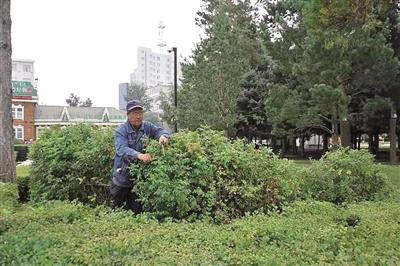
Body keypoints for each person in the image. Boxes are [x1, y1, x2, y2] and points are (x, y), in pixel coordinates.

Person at [110, 99, 170, 213]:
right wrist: (139, 156)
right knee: (115, 211)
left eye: (140, 113)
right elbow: (122, 149)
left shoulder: (147, 126)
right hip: (121, 178)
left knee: (137, 212)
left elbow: (160, 131)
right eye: (134, 113)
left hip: (138, 180)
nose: (138, 116)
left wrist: (163, 137)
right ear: (128, 115)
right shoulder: (121, 131)